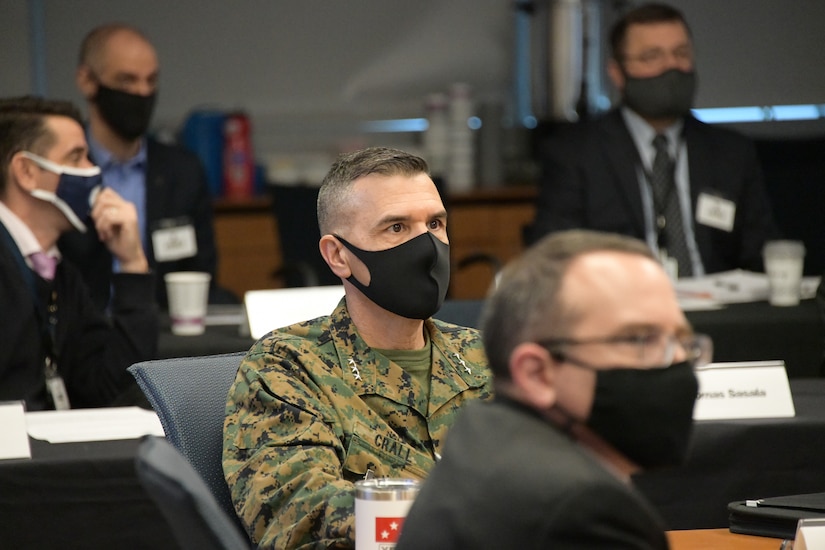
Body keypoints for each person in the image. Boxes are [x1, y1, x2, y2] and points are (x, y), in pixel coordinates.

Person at [223, 147, 493, 548]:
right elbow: (301, 517)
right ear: (338, 255)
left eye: (435, 224)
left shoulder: (487, 358)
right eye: (397, 228)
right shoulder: (288, 368)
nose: (427, 247)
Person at [397, 229, 710, 549]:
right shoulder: (583, 510)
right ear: (536, 374)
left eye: (682, 341)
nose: (678, 361)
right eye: (639, 339)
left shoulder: (483, 439)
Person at [528, 2, 778, 277]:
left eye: (681, 53)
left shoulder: (731, 152)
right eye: (652, 56)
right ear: (617, 73)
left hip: (718, 310)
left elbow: (765, 253)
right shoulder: (575, 154)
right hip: (620, 307)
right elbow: (554, 260)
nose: (671, 66)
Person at [0, 96, 158, 410]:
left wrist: (132, 264)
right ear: (27, 171)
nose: (92, 170)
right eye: (77, 158)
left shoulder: (59, 274)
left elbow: (110, 386)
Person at [59, 22, 224, 310]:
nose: (141, 92)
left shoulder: (182, 171)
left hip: (166, 335)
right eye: (126, 81)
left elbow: (202, 273)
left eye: (151, 81)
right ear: (87, 81)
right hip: (80, 335)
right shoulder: (61, 171)